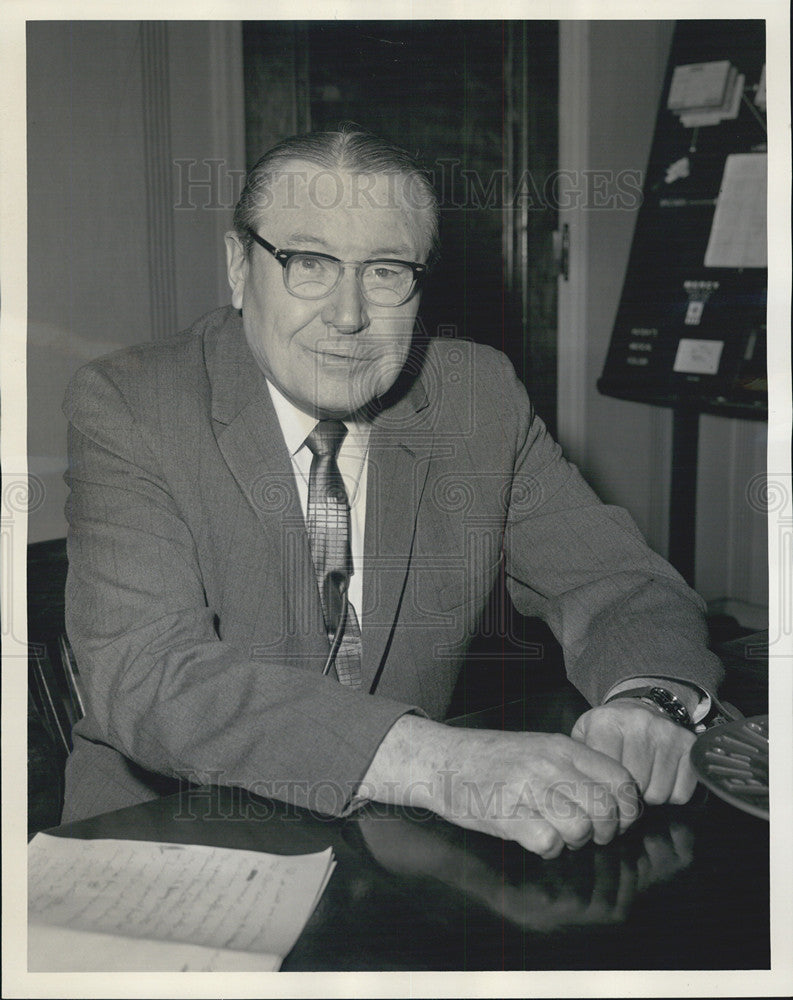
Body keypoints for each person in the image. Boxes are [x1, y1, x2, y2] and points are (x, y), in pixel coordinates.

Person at [62, 128, 724, 858]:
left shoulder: (475, 397)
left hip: (394, 854)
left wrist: (647, 697)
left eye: (384, 271)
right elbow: (147, 674)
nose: (348, 315)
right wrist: (438, 763)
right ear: (238, 267)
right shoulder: (133, 403)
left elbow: (615, 580)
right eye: (308, 263)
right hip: (172, 842)